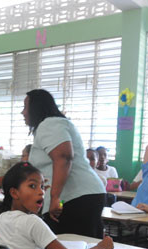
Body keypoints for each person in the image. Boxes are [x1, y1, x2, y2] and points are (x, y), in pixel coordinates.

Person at [21, 89, 106, 236]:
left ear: (36, 108)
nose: (23, 112)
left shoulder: (50, 124)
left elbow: (64, 158)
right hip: (80, 195)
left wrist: (55, 198)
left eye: (25, 107)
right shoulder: (53, 124)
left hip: (75, 197)